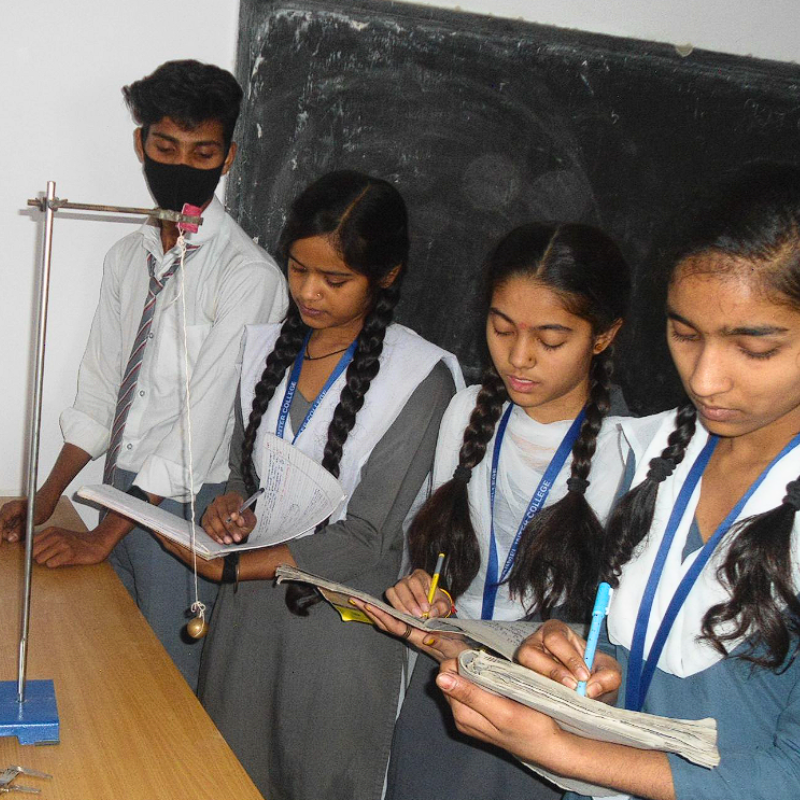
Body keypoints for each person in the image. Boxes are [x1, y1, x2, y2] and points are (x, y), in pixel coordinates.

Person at [434, 162, 800, 800]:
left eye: (755, 349)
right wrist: (589, 655)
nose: (705, 379)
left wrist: (569, 752)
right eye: (685, 335)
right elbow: (673, 662)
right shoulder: (665, 449)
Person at [158, 169, 463, 800]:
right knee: (230, 774)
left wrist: (230, 569)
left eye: (334, 279)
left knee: (322, 780)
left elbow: (367, 538)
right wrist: (228, 507)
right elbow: (250, 473)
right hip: (249, 622)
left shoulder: (419, 378)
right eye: (297, 269)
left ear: (387, 275)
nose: (309, 292)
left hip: (339, 636)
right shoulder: (267, 350)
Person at [0, 60, 287, 688]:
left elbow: (201, 425)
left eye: (201, 151)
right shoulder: (128, 256)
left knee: (161, 690)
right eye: (165, 146)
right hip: (116, 489)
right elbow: (102, 390)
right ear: (141, 144)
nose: (181, 164)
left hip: (183, 510)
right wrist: (46, 500)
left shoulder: (248, 277)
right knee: (100, 669)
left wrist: (101, 538)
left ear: (229, 156)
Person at [354, 222, 657, 800]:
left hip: (544, 712)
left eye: (550, 339)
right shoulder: (468, 410)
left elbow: (613, 628)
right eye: (501, 328)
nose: (518, 357)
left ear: (603, 335)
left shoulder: (631, 452)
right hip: (445, 679)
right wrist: (425, 588)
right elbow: (439, 553)